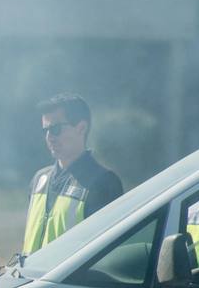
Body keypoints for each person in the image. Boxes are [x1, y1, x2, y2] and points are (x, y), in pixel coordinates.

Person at [21, 94, 123, 257]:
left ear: (81, 128)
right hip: (32, 281)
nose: (49, 137)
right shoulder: (39, 179)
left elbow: (107, 256)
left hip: (70, 283)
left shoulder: (103, 182)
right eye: (45, 130)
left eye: (55, 129)